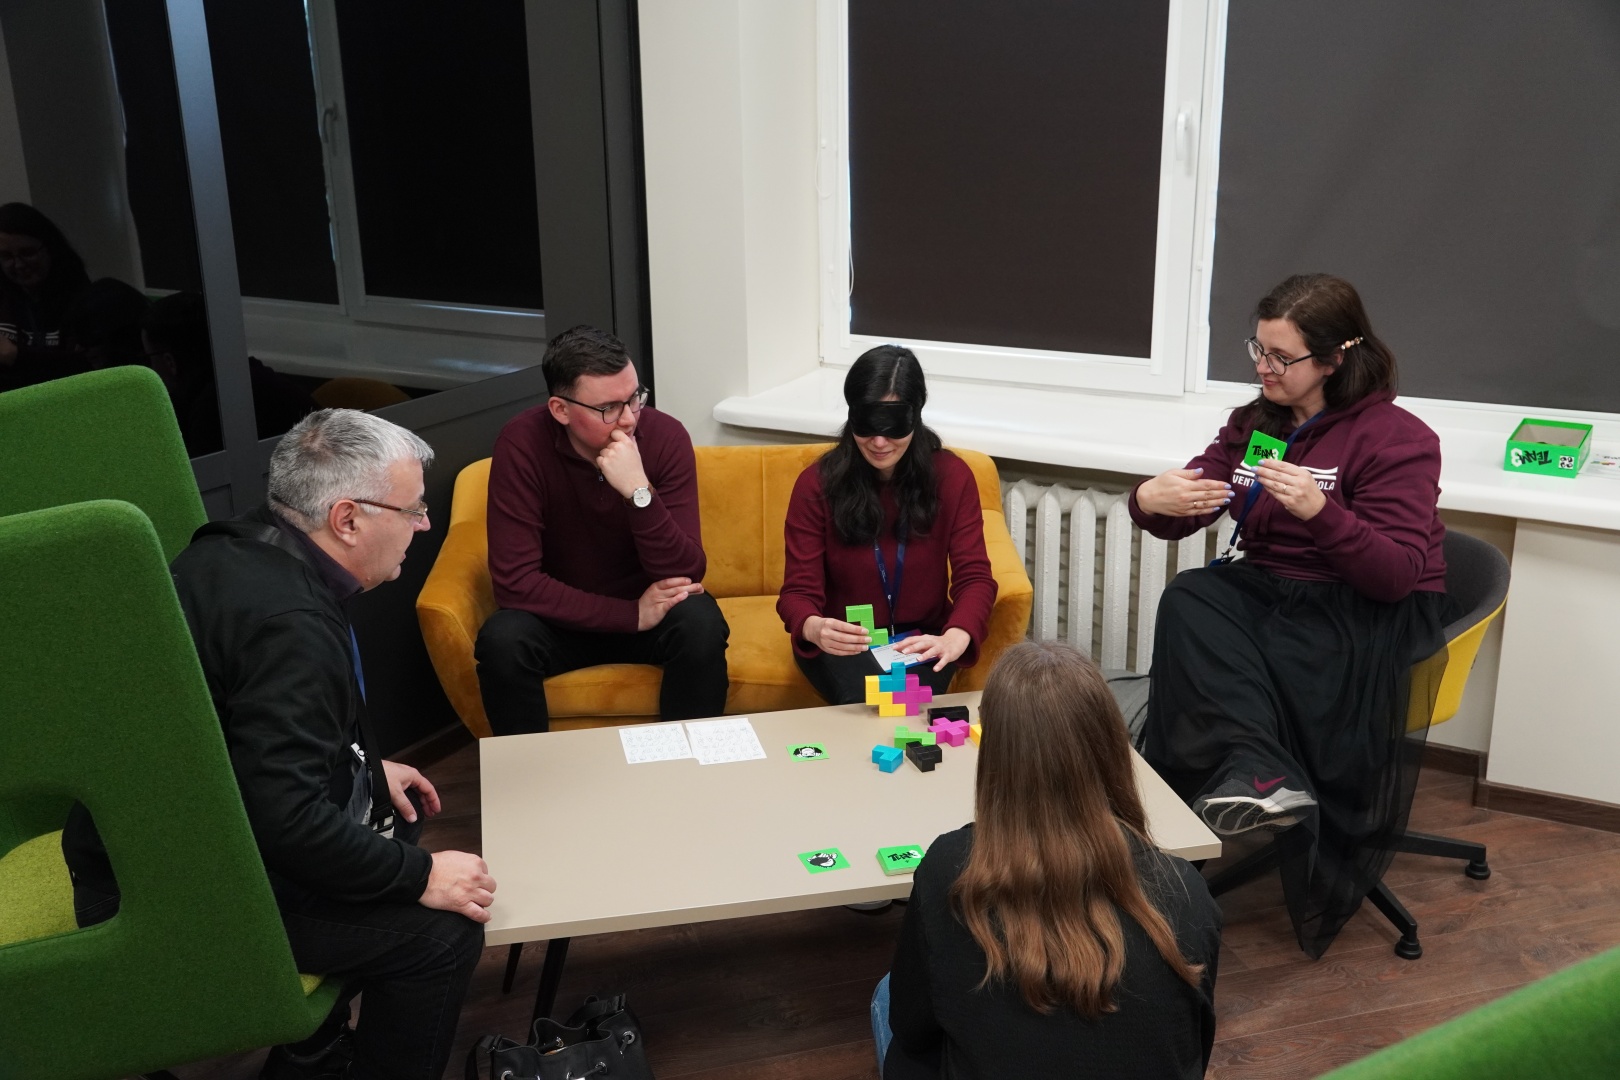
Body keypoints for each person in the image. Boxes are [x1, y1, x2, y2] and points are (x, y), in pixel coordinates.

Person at [61, 409, 496, 1080]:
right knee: (441, 936)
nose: (424, 524)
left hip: (138, 839)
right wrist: (422, 877)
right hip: (165, 895)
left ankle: (311, 1052)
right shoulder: (291, 624)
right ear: (347, 519)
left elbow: (237, 728)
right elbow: (285, 821)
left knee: (394, 816)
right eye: (413, 509)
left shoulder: (236, 547)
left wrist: (358, 763)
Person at [1130, 273, 1457, 957]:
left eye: (1282, 357)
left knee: (1256, 645)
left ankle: (1260, 778)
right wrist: (1149, 500)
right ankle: (1253, 776)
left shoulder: (1397, 439)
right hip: (1279, 589)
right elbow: (1194, 501)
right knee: (1190, 597)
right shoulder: (1258, 425)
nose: (1264, 367)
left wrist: (1320, 512)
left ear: (1335, 358)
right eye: (1259, 349)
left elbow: (1395, 574)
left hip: (1365, 604)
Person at [874, 641, 1221, 1079]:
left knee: (886, 993)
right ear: (1113, 746)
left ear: (996, 755)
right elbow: (1194, 1046)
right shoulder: (1188, 890)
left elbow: (910, 1028)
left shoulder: (948, 869)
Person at [475, 324, 730, 735]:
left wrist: (638, 492)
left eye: (635, 398)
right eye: (609, 407)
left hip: (653, 612)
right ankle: (529, 772)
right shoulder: (521, 443)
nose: (628, 419)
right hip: (561, 619)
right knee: (503, 639)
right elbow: (514, 583)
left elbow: (686, 570)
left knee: (699, 621)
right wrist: (628, 615)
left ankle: (687, 764)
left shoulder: (665, 437)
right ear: (560, 410)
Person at [777, 345, 997, 705]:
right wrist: (813, 627)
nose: (879, 442)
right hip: (845, 640)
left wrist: (956, 634)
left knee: (907, 710)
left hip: (921, 639)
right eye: (867, 425)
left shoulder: (952, 478)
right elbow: (797, 593)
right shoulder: (816, 485)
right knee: (868, 706)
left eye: (893, 426)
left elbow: (975, 577)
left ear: (916, 415)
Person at [0, 202, 93, 390]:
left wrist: (15, 356)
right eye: (7, 256)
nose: (18, 265)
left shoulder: (84, 299)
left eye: (27, 253)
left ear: (50, 248)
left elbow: (89, 367)